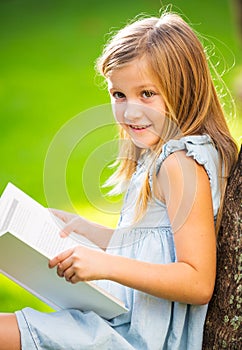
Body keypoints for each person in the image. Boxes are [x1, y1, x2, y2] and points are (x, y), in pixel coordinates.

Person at [0, 10, 238, 350]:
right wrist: (86, 230)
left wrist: (105, 265)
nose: (130, 112)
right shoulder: (163, 153)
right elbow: (156, 243)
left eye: (147, 94)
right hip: (125, 318)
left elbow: (197, 281)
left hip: (136, 336)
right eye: (118, 95)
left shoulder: (180, 163)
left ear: (183, 89)